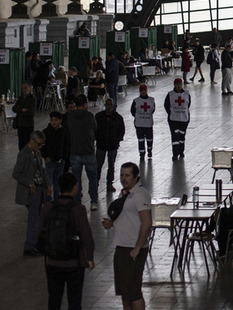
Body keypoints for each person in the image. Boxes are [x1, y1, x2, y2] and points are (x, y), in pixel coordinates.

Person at [38, 172, 95, 310]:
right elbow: (86, 235)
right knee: (74, 301)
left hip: (53, 261)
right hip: (74, 262)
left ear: (59, 187)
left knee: (54, 300)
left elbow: (39, 232)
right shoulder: (78, 209)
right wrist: (90, 257)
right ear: (75, 187)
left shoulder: (48, 207)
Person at [102, 162, 152, 310]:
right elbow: (128, 217)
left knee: (134, 291)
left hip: (132, 249)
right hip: (121, 247)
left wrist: (137, 248)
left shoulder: (140, 194)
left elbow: (147, 222)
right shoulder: (124, 194)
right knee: (125, 292)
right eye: (122, 175)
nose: (123, 178)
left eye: (127, 175)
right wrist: (112, 223)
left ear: (136, 177)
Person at [14, 130, 53, 256]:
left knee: (39, 218)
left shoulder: (37, 152)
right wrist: (30, 183)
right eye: (39, 144)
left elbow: (42, 170)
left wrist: (48, 184)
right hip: (31, 192)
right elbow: (16, 173)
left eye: (42, 144)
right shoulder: (23, 154)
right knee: (33, 219)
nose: (41, 147)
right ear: (32, 141)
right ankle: (29, 246)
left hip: (40, 188)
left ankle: (37, 243)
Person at [66, 94, 99, 211]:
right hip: (88, 151)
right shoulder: (90, 116)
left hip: (74, 152)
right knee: (92, 178)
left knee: (76, 179)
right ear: (85, 104)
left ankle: (77, 202)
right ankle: (93, 201)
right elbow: (95, 129)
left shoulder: (70, 117)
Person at [96, 99, 126, 194]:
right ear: (105, 105)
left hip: (112, 146)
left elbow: (121, 130)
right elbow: (95, 129)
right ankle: (95, 182)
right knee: (98, 165)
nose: (109, 106)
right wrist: (98, 138)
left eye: (111, 104)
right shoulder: (99, 117)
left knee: (111, 165)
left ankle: (109, 183)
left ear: (114, 105)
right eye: (107, 104)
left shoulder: (118, 118)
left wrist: (117, 139)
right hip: (101, 145)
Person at [43, 111, 71, 200]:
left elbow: (66, 144)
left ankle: (57, 201)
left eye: (56, 120)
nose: (53, 122)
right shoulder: (46, 132)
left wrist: (64, 157)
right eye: (52, 120)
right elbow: (42, 146)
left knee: (57, 183)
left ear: (60, 121)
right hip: (50, 161)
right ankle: (47, 201)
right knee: (49, 182)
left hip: (60, 161)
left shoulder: (64, 131)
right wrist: (46, 156)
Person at [164, 78, 191, 160]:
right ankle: (175, 153)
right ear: (174, 85)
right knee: (175, 137)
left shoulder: (186, 94)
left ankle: (181, 151)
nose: (179, 86)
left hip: (184, 119)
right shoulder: (170, 94)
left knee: (182, 136)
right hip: (173, 120)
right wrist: (172, 113)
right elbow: (166, 105)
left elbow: (188, 104)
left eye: (180, 84)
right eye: (177, 84)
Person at [130, 84, 156, 159]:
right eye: (142, 90)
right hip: (139, 124)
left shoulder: (151, 100)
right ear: (139, 91)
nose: (143, 92)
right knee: (140, 139)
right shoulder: (136, 101)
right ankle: (141, 153)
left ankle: (149, 150)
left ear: (146, 90)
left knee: (149, 138)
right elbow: (132, 111)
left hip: (148, 123)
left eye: (144, 90)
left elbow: (153, 109)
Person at [13, 80, 37, 150]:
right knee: (21, 143)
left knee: (27, 143)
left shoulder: (33, 99)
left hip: (28, 124)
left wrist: (19, 111)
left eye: (25, 88)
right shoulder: (20, 98)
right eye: (22, 88)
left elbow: (30, 112)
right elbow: (14, 108)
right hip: (20, 124)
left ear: (30, 88)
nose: (23, 90)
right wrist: (21, 110)